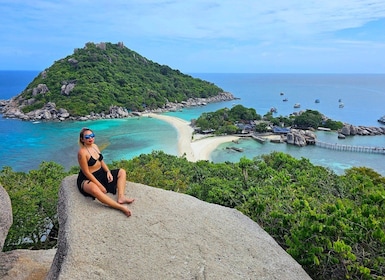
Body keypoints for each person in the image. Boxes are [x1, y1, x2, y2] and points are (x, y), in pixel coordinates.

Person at [77, 127, 134, 217]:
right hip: (88, 178)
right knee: (94, 189)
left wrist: (108, 171)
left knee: (122, 172)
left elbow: (101, 160)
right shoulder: (82, 153)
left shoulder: (95, 146)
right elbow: (86, 172)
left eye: (92, 136)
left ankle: (121, 197)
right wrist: (99, 185)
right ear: (82, 139)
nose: (90, 138)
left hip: (101, 174)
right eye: (87, 137)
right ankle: (120, 207)